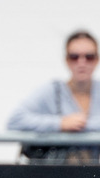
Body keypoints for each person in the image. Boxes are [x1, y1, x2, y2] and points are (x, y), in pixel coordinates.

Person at [7, 30, 100, 165]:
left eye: (89, 57)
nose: (82, 62)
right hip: (57, 174)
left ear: (97, 59)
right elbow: (15, 120)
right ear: (67, 60)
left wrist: (82, 126)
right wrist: (59, 123)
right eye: (74, 57)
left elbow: (82, 125)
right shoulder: (52, 90)